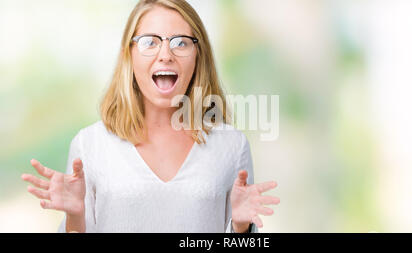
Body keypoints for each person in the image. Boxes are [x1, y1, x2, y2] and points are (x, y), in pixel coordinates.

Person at [21, 0, 280, 233]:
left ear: (198, 56)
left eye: (180, 42)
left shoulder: (231, 146)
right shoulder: (89, 145)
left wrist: (242, 228)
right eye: (149, 42)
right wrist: (75, 218)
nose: (165, 54)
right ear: (128, 55)